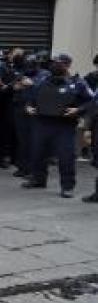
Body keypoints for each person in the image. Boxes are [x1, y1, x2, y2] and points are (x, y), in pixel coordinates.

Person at [23, 53, 93, 198]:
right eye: (53, 62)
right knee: (37, 153)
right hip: (42, 122)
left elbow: (91, 102)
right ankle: (38, 179)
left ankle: (67, 187)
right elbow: (31, 98)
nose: (54, 65)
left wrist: (78, 110)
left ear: (67, 65)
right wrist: (29, 107)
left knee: (66, 157)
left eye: (58, 63)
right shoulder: (42, 80)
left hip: (64, 126)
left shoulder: (78, 83)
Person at [11, 52, 38, 177]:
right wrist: (23, 83)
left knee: (33, 140)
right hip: (20, 109)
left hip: (34, 110)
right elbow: (15, 87)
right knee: (22, 140)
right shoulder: (21, 73)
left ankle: (32, 169)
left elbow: (42, 88)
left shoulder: (44, 74)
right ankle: (23, 167)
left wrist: (32, 83)